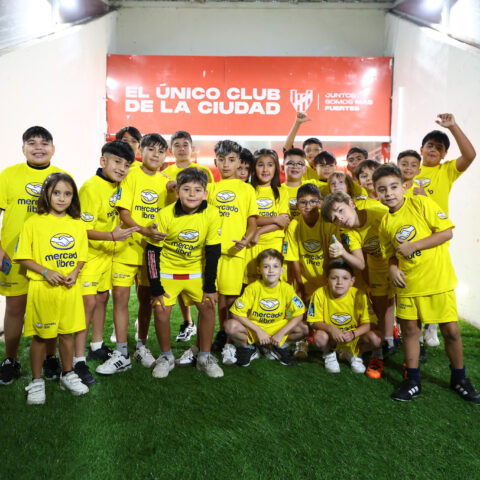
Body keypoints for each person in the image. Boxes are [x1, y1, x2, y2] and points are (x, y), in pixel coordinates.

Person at [374, 163, 480, 402]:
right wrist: (392, 268)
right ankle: (412, 381)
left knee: (451, 331)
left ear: (404, 187)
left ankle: (460, 378)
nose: (388, 193)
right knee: (410, 331)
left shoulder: (421, 203)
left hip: (437, 281)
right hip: (408, 285)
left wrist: (414, 245)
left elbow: (446, 233)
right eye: (382, 189)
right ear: (376, 193)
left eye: (393, 187)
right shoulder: (385, 223)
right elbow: (390, 254)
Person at [96, 133, 168, 375]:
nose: (156, 154)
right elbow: (124, 214)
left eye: (161, 151)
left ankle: (141, 346)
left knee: (146, 299)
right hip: (126, 247)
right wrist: (144, 230)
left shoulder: (166, 182)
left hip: (151, 252)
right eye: (151, 149)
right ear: (141, 151)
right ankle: (121, 352)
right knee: (120, 298)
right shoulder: (130, 174)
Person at [14, 173, 89, 404]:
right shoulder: (33, 223)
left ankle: (67, 374)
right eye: (56, 193)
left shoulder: (77, 224)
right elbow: (22, 257)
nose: (62, 198)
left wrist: (75, 272)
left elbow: (81, 256)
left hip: (69, 291)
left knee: (67, 333)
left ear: (73, 197)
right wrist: (46, 271)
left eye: (67, 194)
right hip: (43, 290)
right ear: (46, 194)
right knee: (41, 337)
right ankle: (37, 381)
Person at [0, 126, 66, 385]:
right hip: (14, 256)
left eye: (44, 143)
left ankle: (51, 357)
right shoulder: (9, 174)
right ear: (23, 148)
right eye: (32, 142)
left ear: (53, 148)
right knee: (15, 307)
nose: (38, 147)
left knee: (49, 307)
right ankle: (11, 359)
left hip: (50, 257)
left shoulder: (62, 177)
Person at [145, 167, 223, 378]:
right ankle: (166, 357)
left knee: (208, 305)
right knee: (160, 309)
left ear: (205, 194)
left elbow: (213, 251)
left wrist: (210, 286)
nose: (191, 194)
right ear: (177, 192)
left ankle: (204, 356)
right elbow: (152, 252)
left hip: (196, 270)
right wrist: (156, 287)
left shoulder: (212, 213)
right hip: (168, 271)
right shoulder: (164, 214)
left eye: (197, 190)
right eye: (186, 189)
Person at [73, 141, 138, 386]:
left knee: (102, 298)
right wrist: (111, 236)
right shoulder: (91, 187)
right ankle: (78, 360)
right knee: (87, 304)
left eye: (126, 165)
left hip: (106, 255)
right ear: (103, 161)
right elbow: (83, 230)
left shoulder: (120, 185)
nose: (122, 168)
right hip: (89, 255)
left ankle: (96, 346)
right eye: (117, 162)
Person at [413, 113, 476, 348]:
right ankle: (413, 328)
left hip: (436, 238)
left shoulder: (446, 171)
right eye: (430, 145)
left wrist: (453, 127)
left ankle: (431, 326)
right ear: (421, 149)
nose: (433, 149)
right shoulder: (408, 170)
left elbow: (470, 155)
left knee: (435, 284)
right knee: (414, 285)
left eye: (439, 148)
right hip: (410, 238)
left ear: (444, 155)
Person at [321, 191, 394, 379]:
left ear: (352, 203)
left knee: (406, 308)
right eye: (334, 219)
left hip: (399, 264)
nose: (340, 219)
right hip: (377, 269)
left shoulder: (378, 211)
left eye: (340, 210)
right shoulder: (348, 232)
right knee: (381, 309)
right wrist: (342, 253)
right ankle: (381, 350)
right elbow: (360, 264)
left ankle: (416, 344)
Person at [207, 140, 258, 363]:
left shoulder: (247, 189)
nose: (226, 164)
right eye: (222, 159)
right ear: (215, 161)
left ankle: (229, 344)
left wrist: (245, 240)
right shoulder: (210, 189)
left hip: (235, 254)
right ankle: (221, 334)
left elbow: (252, 222)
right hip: (212, 254)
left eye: (231, 160)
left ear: (238, 162)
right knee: (215, 299)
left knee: (232, 300)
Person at [163, 131, 215, 343]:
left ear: (192, 148)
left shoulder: (203, 171)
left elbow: (208, 201)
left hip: (197, 234)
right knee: (175, 281)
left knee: (198, 285)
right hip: (173, 235)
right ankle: (187, 322)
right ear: (171, 149)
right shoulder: (165, 173)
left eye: (186, 144)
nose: (182, 148)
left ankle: (202, 345)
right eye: (177, 145)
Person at [226, 249, 307, 367]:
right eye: (266, 266)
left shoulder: (287, 289)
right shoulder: (252, 289)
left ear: (282, 270)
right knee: (230, 326)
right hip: (255, 328)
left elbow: (299, 313)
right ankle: (250, 348)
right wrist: (258, 331)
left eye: (275, 266)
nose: (271, 270)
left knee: (304, 328)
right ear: (259, 270)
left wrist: (281, 333)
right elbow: (236, 313)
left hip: (277, 328)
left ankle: (278, 347)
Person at [283, 183, 335, 359]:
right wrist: (299, 284)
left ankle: (335, 345)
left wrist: (328, 280)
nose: (308, 206)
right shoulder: (294, 225)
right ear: (297, 205)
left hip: (325, 278)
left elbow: (331, 255)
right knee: (302, 311)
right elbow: (293, 257)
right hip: (305, 278)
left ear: (320, 203)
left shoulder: (327, 223)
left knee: (326, 312)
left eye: (313, 201)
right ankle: (302, 343)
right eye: (303, 202)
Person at [307, 259, 381, 374]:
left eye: (345, 278)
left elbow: (370, 323)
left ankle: (354, 353)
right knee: (319, 336)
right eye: (334, 278)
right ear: (326, 280)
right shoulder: (319, 294)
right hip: (331, 338)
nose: (339, 282)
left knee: (377, 339)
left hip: (354, 337)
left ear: (352, 281)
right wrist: (331, 329)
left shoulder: (359, 295)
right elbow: (312, 322)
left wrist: (353, 334)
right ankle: (329, 353)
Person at [244, 149, 290, 284]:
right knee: (249, 287)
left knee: (273, 286)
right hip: (251, 245)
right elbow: (248, 218)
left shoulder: (282, 191)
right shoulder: (247, 189)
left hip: (274, 244)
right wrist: (274, 219)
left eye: (270, 165)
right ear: (254, 168)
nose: (265, 169)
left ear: (276, 168)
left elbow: (283, 221)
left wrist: (258, 231)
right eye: (260, 165)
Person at [284, 111, 322, 181]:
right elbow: (287, 150)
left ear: (322, 152)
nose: (312, 153)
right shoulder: (300, 169)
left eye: (316, 150)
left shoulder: (327, 170)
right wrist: (297, 123)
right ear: (304, 155)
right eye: (308, 150)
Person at [281, 148, 307, 219]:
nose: (295, 166)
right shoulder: (276, 190)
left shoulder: (311, 188)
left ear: (305, 169)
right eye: (290, 163)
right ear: (283, 168)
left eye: (300, 164)